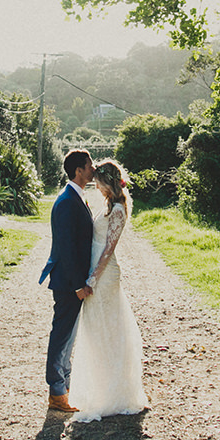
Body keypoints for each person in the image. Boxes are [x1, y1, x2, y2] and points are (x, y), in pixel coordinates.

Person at [68, 158, 149, 422]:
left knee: (108, 329)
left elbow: (108, 249)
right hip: (95, 273)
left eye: (99, 183)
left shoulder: (118, 210)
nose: (97, 187)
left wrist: (92, 279)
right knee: (96, 329)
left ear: (108, 183)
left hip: (104, 276)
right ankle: (100, 386)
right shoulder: (107, 206)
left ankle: (115, 393)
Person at [39, 149, 95, 412]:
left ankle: (65, 388)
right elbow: (66, 247)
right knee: (61, 337)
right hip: (67, 283)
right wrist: (77, 285)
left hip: (75, 281)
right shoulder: (65, 201)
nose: (93, 168)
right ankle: (57, 393)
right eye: (89, 164)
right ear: (78, 170)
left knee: (68, 336)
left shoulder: (77, 197)